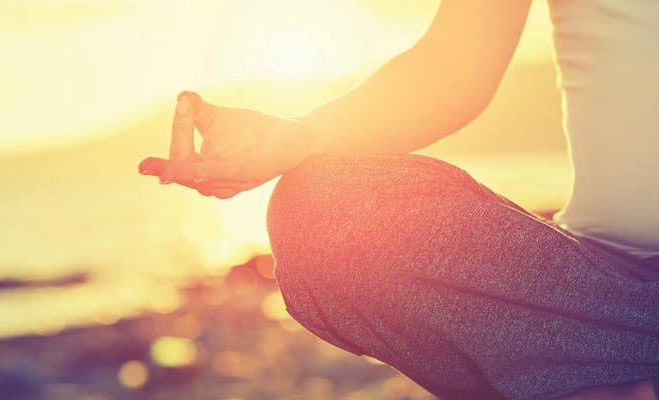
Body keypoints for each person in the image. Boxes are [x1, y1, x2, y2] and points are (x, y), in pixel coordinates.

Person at [139, 1, 659, 399]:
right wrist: (299, 137)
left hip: (612, 324)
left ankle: (603, 380)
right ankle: (615, 371)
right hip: (608, 293)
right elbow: (451, 69)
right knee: (324, 207)